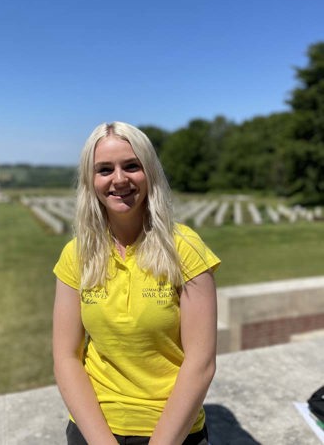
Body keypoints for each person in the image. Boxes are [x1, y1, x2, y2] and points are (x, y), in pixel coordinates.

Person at [53, 121, 220, 445]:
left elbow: (201, 363)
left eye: (131, 166)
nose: (119, 179)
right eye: (104, 169)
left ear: (149, 172)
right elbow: (66, 357)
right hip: (94, 426)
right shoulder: (76, 254)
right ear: (91, 180)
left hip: (172, 430)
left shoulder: (184, 249)